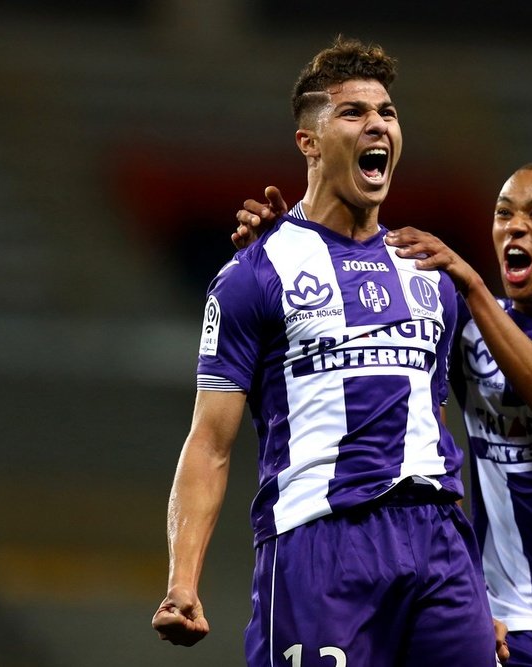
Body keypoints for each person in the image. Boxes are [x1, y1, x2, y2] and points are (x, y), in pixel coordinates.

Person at [237, 161, 532, 666]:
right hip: (525, 625)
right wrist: (292, 250)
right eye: (503, 214)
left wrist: (473, 286)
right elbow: (362, 334)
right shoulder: (465, 321)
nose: (514, 226)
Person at [152, 36, 501, 666]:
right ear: (308, 142)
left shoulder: (428, 271)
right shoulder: (253, 275)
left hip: (441, 549)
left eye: (388, 113)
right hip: (322, 544)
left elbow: (433, 420)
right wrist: (183, 581)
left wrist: (480, 587)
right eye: (353, 112)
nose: (378, 124)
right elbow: (210, 441)